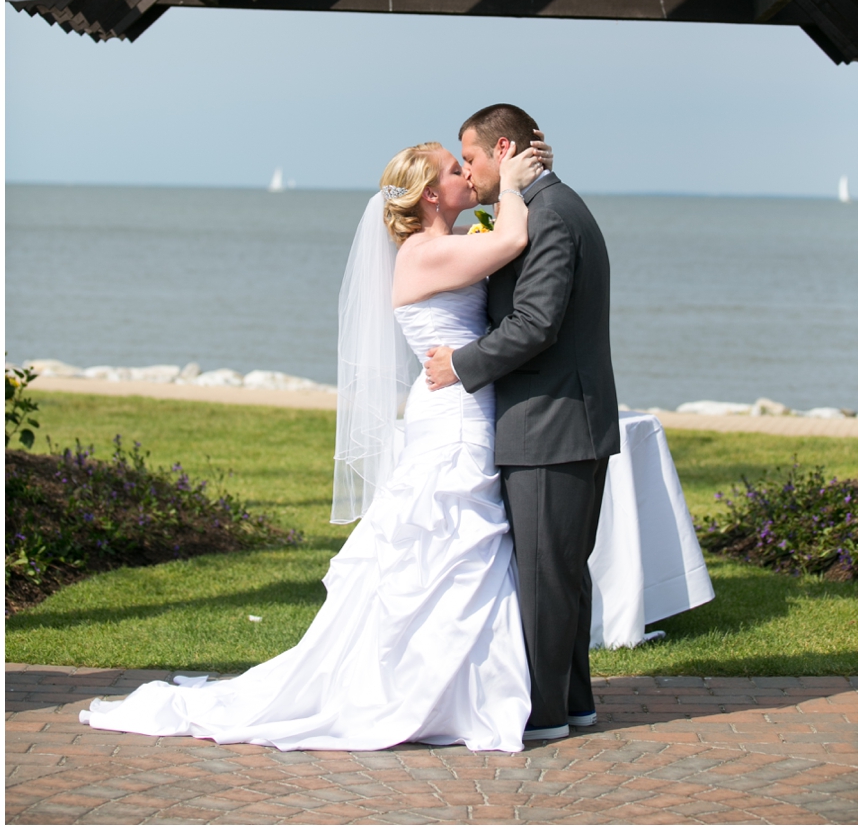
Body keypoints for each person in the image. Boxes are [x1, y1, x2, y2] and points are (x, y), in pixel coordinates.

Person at [79, 135, 550, 753]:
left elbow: (502, 262)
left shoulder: (448, 244)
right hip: (454, 416)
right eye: (455, 168)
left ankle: (453, 692)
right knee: (449, 542)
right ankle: (432, 694)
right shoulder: (421, 255)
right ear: (432, 193)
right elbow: (512, 242)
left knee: (456, 552)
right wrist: (514, 184)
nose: (469, 173)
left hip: (459, 401)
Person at [425, 103, 620, 742]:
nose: (471, 172)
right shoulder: (544, 207)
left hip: (551, 426)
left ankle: (540, 716)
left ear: (502, 149)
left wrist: (461, 364)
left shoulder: (552, 215)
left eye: (473, 158)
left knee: (544, 576)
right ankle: (575, 703)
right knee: (560, 572)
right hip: (560, 422)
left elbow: (536, 324)